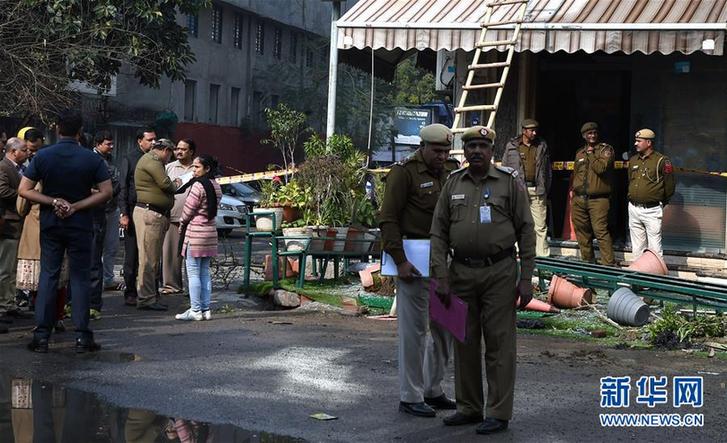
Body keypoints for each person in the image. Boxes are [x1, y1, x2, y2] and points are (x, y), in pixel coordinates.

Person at [430, 126, 535, 435]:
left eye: (482, 145)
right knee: (464, 342)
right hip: (460, 273)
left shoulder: (508, 183)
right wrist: (441, 276)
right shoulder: (453, 185)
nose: (476, 150)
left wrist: (526, 277)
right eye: (471, 145)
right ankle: (470, 407)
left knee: (500, 345)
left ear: (492, 151)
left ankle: (499, 412)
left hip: (500, 273)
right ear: (464, 151)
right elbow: (438, 233)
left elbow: (526, 231)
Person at [378, 123, 457, 418]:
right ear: (422, 147)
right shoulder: (404, 172)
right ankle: (410, 395)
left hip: (444, 263)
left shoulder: (450, 170)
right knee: (414, 332)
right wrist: (399, 261)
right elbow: (388, 219)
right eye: (437, 151)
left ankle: (433, 389)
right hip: (413, 260)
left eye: (446, 151)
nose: (442, 156)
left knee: (446, 329)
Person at [18, 109, 112, 353]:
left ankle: (41, 336)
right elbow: (106, 192)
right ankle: (82, 336)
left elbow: (24, 190)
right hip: (80, 223)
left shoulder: (43, 156)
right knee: (79, 277)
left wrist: (53, 201)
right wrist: (76, 206)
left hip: (51, 222)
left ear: (58, 129)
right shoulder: (92, 159)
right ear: (80, 132)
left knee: (48, 275)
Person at [133, 138, 180, 311]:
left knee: (150, 258)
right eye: (171, 154)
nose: (170, 158)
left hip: (152, 213)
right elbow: (166, 184)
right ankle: (146, 298)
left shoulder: (150, 160)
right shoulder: (153, 162)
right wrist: (177, 183)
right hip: (150, 214)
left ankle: (149, 296)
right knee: (148, 259)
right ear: (166, 150)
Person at [174, 154, 221, 321]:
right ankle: (206, 309)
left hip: (195, 234)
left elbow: (188, 210)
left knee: (193, 273)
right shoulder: (216, 185)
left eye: (197, 167)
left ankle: (195, 310)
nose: (193, 170)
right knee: (204, 273)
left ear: (206, 168)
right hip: (210, 233)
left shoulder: (198, 186)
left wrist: (181, 222)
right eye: (193, 167)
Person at [501, 119, 550, 257]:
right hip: (518, 190)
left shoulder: (541, 145)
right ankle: (516, 254)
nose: (534, 133)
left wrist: (545, 188)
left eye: (536, 130)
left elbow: (547, 170)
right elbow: (505, 169)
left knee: (540, 225)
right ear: (524, 131)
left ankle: (542, 257)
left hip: (536, 190)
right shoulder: (512, 146)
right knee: (517, 223)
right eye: (531, 130)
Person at [119, 127, 156, 306]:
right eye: (149, 140)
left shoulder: (156, 159)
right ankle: (130, 291)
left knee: (149, 254)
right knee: (132, 254)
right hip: (133, 210)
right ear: (140, 141)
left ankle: (148, 290)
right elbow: (124, 187)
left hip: (151, 211)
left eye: (154, 139)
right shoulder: (131, 158)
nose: (153, 143)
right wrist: (124, 213)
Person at [85, 130, 120, 316]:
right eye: (108, 143)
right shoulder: (91, 161)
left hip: (109, 208)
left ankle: (106, 281)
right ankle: (90, 303)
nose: (111, 146)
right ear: (98, 143)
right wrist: (100, 194)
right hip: (95, 212)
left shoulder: (110, 160)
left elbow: (116, 185)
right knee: (92, 257)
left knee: (110, 248)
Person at [570, 122, 615, 266]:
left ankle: (609, 266)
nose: (592, 135)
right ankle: (588, 264)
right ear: (584, 135)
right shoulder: (579, 153)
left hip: (598, 200)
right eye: (589, 133)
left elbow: (601, 168)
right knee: (582, 233)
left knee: (600, 232)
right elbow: (576, 173)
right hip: (579, 199)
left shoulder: (605, 150)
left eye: (594, 133)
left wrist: (591, 154)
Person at [627, 129, 676, 258]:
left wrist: (660, 202)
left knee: (655, 248)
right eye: (635, 141)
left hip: (652, 209)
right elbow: (630, 181)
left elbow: (669, 186)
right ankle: (638, 274)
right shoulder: (633, 160)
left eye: (638, 141)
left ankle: (655, 276)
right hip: (633, 208)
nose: (635, 144)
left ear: (648, 142)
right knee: (637, 247)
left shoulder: (661, 161)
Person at [161, 139, 196, 295]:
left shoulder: (198, 168)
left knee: (193, 255)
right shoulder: (169, 167)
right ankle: (171, 285)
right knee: (170, 253)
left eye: (183, 149)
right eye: (177, 148)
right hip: (173, 216)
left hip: (194, 219)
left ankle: (192, 288)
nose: (179, 151)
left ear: (191, 151)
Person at [0, 138, 29, 314]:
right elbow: (2, 191)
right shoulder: (4, 167)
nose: (27, 153)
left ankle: (9, 302)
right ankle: (4, 305)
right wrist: (24, 196)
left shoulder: (20, 169)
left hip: (17, 223)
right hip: (9, 223)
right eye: (24, 150)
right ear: (13, 151)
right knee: (6, 268)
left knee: (12, 268)